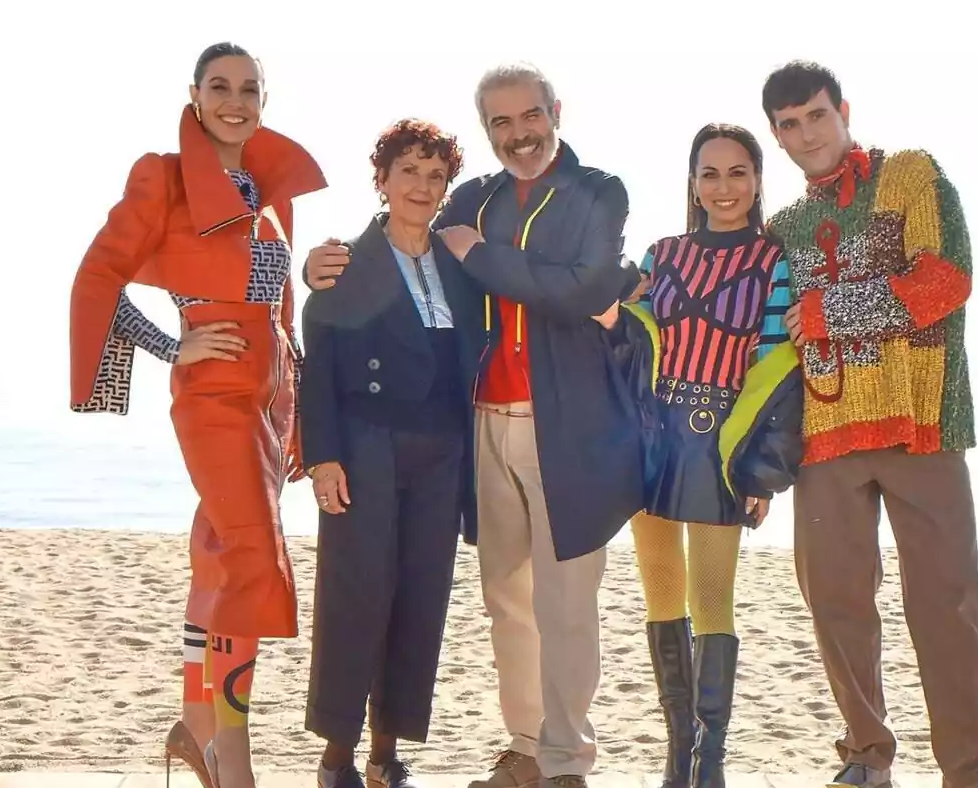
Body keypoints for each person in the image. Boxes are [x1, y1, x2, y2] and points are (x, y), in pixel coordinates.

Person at [302, 62, 645, 788]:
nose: (518, 134)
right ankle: (511, 746)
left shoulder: (586, 195)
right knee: (493, 602)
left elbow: (587, 286)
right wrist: (312, 268)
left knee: (542, 603)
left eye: (530, 117)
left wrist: (490, 258)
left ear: (556, 110)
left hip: (536, 431)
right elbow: (342, 323)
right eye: (501, 123)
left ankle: (556, 759)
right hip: (454, 433)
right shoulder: (465, 205)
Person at [67, 43, 327, 788]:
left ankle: (195, 725)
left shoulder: (268, 188)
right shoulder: (164, 175)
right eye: (220, 87)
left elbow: (278, 307)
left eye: (249, 88)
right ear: (195, 94)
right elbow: (98, 274)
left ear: (263, 99)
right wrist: (168, 344)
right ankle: (233, 765)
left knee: (218, 555)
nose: (235, 101)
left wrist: (295, 395)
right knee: (250, 562)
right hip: (212, 397)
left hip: (267, 399)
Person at [760, 60, 978, 788]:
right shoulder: (781, 228)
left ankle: (972, 765)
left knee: (948, 597)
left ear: (842, 109)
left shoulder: (909, 174)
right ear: (776, 138)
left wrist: (829, 313)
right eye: (789, 125)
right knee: (836, 601)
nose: (806, 133)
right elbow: (762, 341)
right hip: (824, 436)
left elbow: (945, 280)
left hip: (921, 424)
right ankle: (867, 755)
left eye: (816, 115)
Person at [602, 124, 803, 788]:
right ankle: (677, 753)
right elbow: (626, 337)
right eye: (710, 174)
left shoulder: (774, 261)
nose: (724, 188)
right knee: (660, 590)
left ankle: (709, 760)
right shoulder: (662, 256)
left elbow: (777, 367)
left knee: (714, 596)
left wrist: (764, 473)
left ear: (756, 179)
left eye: (737, 172)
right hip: (652, 439)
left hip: (720, 443)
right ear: (692, 182)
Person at [298, 119, 482, 788]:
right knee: (357, 597)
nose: (423, 186)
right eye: (410, 171)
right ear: (381, 179)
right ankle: (337, 754)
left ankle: (386, 749)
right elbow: (316, 365)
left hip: (443, 454)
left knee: (420, 598)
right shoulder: (345, 262)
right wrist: (322, 458)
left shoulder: (461, 272)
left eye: (436, 176)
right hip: (365, 447)